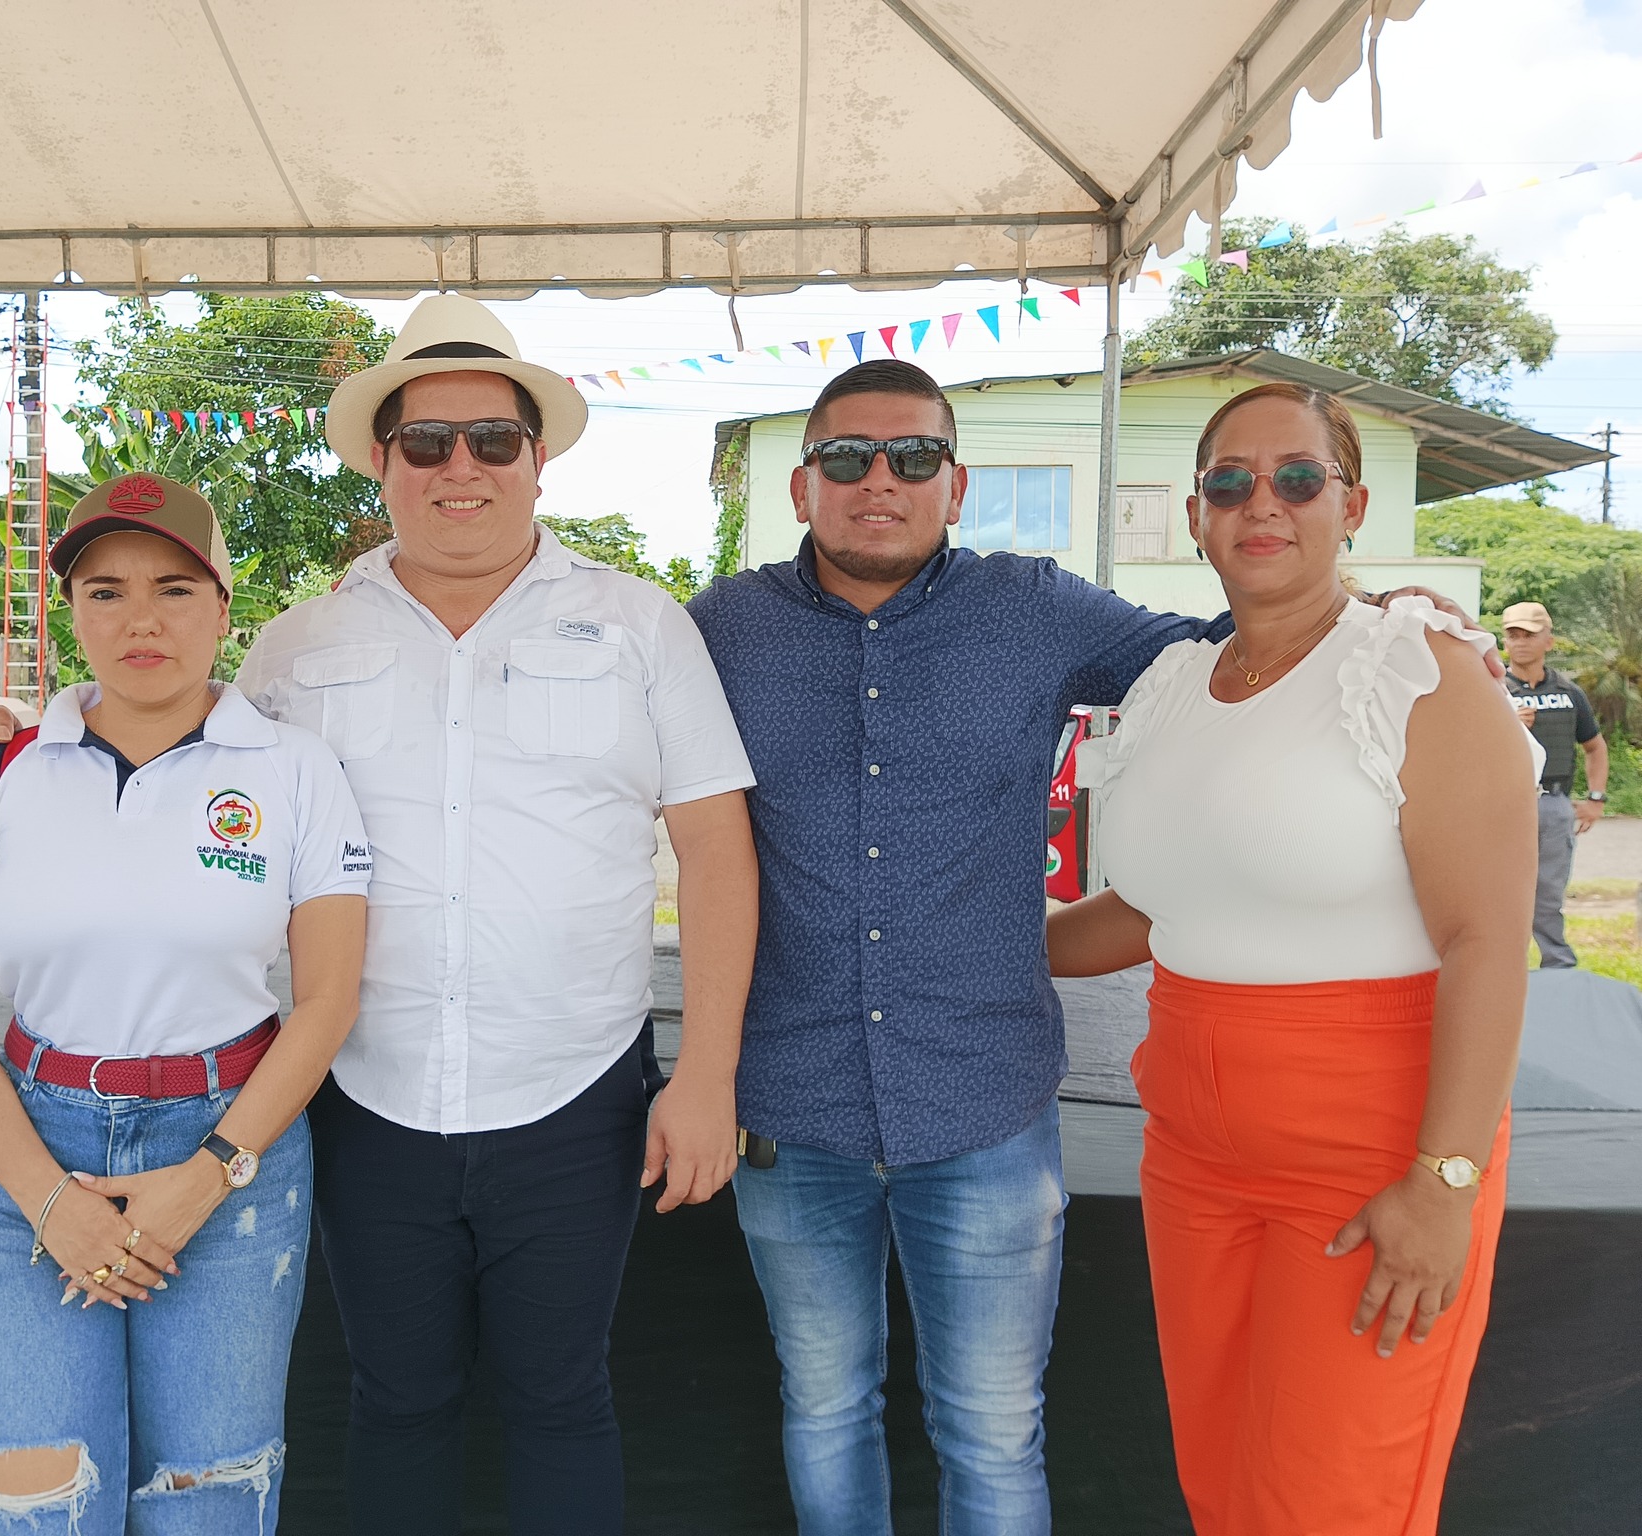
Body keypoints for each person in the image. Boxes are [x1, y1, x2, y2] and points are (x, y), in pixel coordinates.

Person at [0, 295, 761, 1536]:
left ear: (538, 457)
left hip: (575, 1083)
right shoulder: (298, 645)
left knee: (562, 1396)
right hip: (365, 1091)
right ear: (382, 458)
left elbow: (717, 853)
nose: (460, 467)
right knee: (397, 1400)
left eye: (492, 439)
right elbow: (170, 729)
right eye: (426, 441)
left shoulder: (643, 626)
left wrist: (709, 1074)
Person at [685, 359, 1495, 1536]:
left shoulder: (1032, 606)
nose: (879, 481)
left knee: (990, 1431)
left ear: (955, 485)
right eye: (846, 458)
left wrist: (1381, 624)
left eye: (913, 456)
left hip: (984, 1106)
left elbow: (1232, 645)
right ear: (802, 484)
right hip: (790, 1098)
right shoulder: (720, 628)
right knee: (820, 1408)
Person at [1046, 382, 1538, 1535]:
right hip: (1192, 1156)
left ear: (1349, 506)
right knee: (1222, 1490)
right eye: (1228, 481)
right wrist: (976, 954)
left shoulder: (1414, 668)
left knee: (1328, 1507)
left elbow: (1485, 941)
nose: (1259, 503)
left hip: (1370, 1159)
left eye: (1297, 478)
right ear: (1195, 516)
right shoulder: (1172, 685)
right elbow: (1156, 906)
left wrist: (1444, 1182)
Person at [0, 473, 371, 1534]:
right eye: (105, 591)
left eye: (174, 588)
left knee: (211, 1504)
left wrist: (209, 1176)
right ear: (71, 610)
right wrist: (50, 1202)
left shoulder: (296, 770)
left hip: (229, 1151)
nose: (141, 620)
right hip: (28, 1152)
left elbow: (328, 999)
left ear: (223, 604)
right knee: (27, 1508)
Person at [1500, 600, 1608, 968]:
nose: (1520, 642)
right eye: (1513, 635)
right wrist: (1508, 725)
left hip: (1553, 803)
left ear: (1548, 641)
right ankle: (1503, 968)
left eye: (1529, 635)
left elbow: (1595, 747)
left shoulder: (1568, 692)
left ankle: (1557, 966)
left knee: (1548, 892)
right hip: (1504, 805)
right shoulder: (1492, 690)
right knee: (1500, 892)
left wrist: (1595, 799)